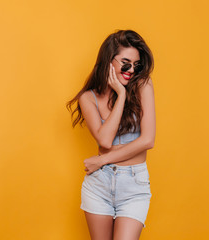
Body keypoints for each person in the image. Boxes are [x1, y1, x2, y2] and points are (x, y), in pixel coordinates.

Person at [66, 29, 156, 240]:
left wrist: (103, 159)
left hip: (134, 185)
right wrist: (121, 94)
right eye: (125, 62)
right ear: (108, 61)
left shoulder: (144, 86)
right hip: (99, 185)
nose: (131, 70)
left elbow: (148, 140)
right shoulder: (88, 98)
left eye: (136, 65)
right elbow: (105, 140)